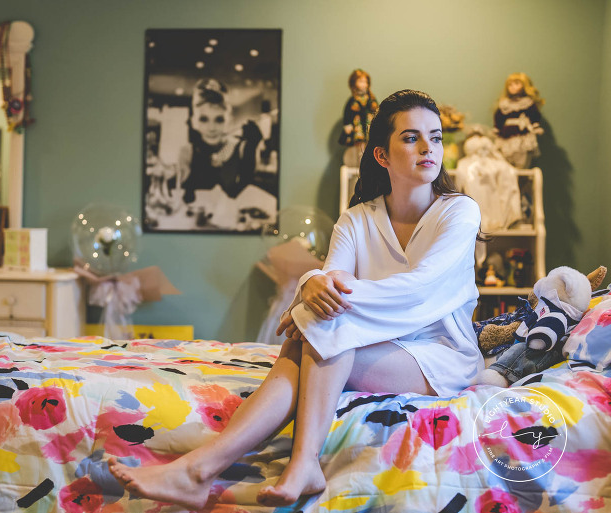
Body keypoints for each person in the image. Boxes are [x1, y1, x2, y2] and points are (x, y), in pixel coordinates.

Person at [109, 90, 483, 509]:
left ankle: (218, 469)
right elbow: (328, 278)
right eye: (412, 138)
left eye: (435, 137)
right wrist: (309, 286)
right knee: (320, 325)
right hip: (374, 343)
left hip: (439, 354)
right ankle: (210, 471)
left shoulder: (459, 212)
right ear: (382, 154)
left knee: (324, 324)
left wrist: (311, 302)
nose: (428, 148)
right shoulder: (357, 219)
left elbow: (417, 289)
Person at [178, 78, 263, 203]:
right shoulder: (187, 151)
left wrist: (251, 147)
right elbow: (184, 194)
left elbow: (245, 187)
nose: (211, 127)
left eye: (219, 120)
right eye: (203, 119)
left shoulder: (237, 147)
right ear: (194, 121)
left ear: (229, 120)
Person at [493, 72, 544, 168]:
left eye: (516, 84)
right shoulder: (505, 104)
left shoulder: (527, 102)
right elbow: (499, 117)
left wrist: (535, 126)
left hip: (522, 133)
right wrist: (497, 129)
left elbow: (534, 115)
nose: (513, 87)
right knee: (505, 158)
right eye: (510, 85)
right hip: (506, 134)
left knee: (522, 157)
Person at [338, 69, 379, 168]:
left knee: (370, 144)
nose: (363, 84)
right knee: (359, 146)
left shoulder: (371, 99)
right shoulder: (353, 100)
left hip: (369, 124)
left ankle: (369, 163)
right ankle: (359, 162)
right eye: (361, 81)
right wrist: (347, 125)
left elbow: (377, 110)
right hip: (358, 126)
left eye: (365, 82)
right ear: (354, 83)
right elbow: (347, 113)